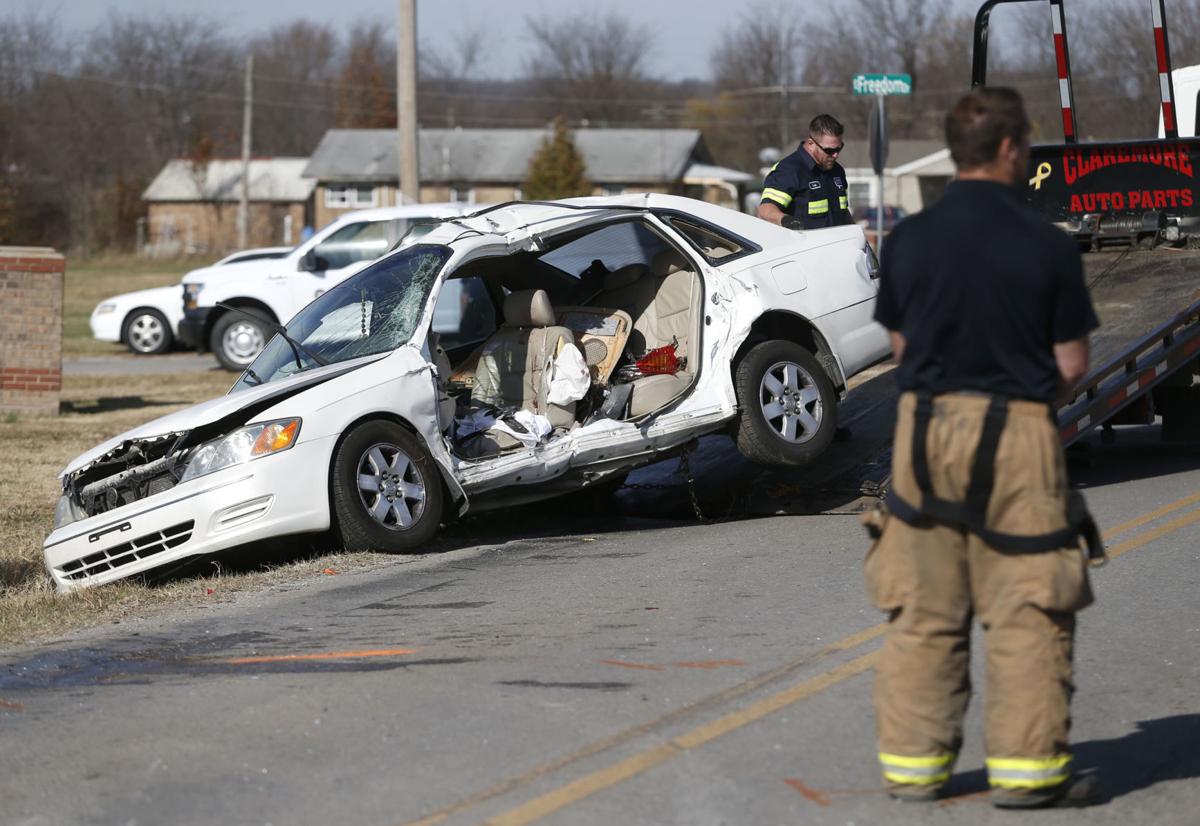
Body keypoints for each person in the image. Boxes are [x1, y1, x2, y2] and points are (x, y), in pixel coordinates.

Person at [864, 87, 1103, 809]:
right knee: (1028, 606)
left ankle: (913, 769)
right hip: (1018, 430)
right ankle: (1029, 775)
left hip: (924, 430)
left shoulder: (907, 240)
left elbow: (901, 347)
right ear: (1008, 149)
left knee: (924, 606)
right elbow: (1070, 365)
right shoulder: (1047, 243)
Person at [757, 114, 854, 230]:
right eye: (829, 150)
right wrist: (787, 221)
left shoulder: (837, 171)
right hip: (803, 246)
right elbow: (765, 209)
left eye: (839, 148)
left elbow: (843, 213)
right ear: (811, 144)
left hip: (835, 246)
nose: (836, 155)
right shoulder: (789, 170)